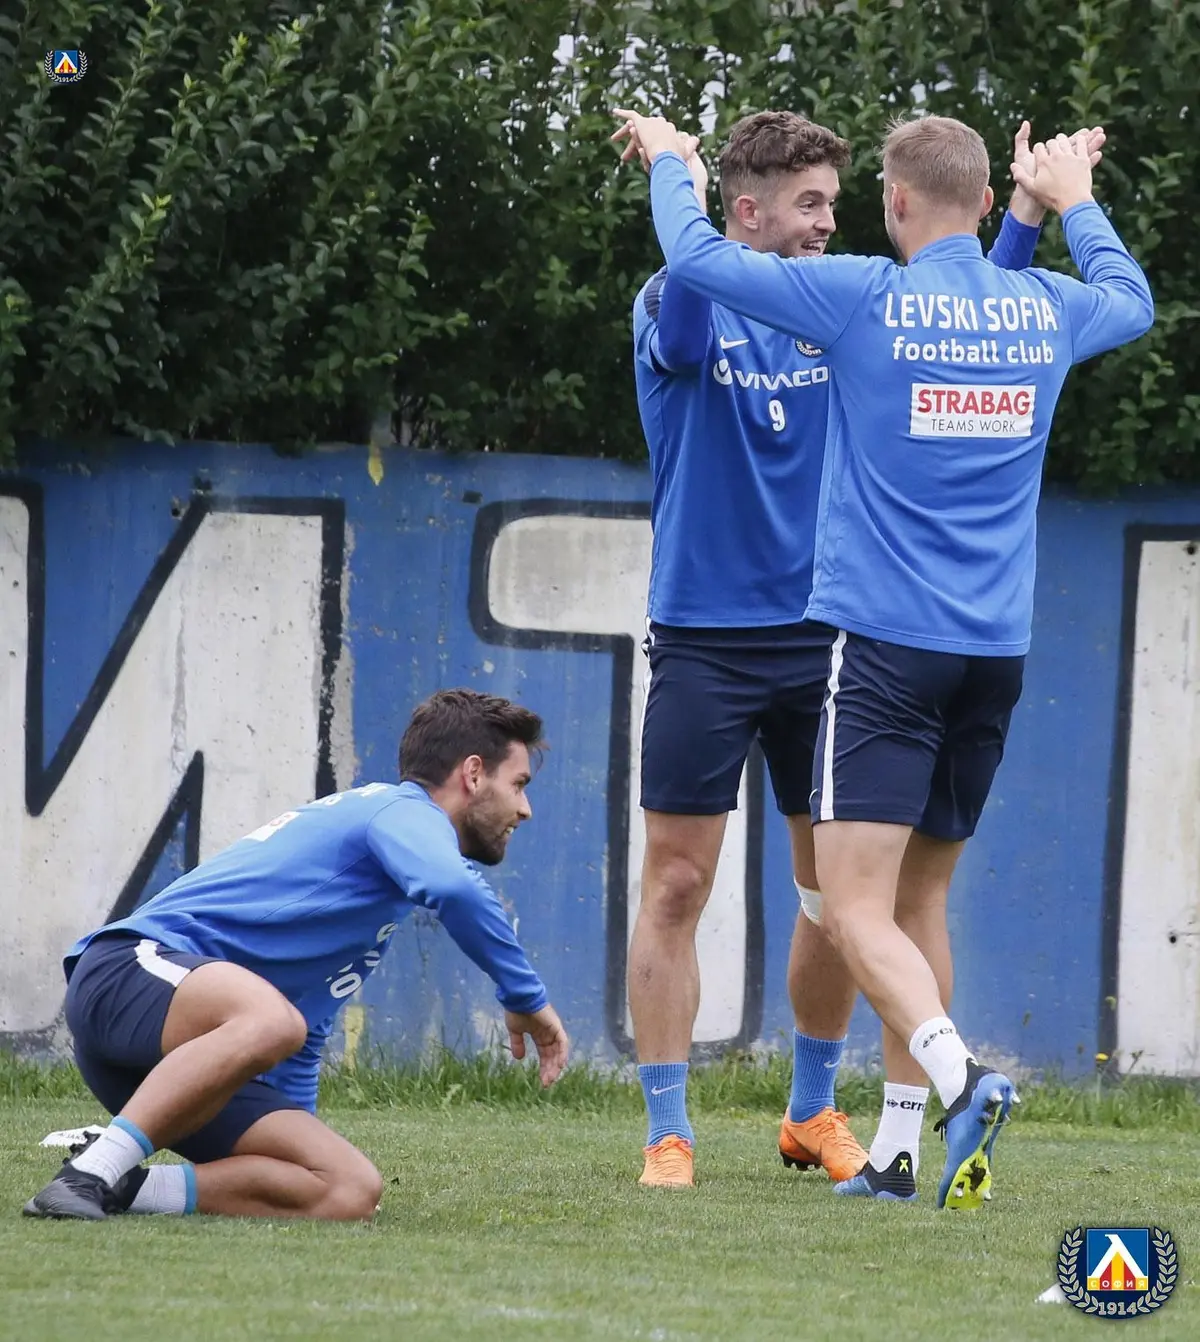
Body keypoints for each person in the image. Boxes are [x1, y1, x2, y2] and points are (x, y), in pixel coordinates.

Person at [614, 108, 1153, 1207]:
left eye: (839, 200)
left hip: (837, 636)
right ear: (745, 210)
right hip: (709, 635)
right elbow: (701, 286)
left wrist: (1015, 223)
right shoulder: (695, 298)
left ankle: (818, 1112)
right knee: (680, 880)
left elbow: (964, 320)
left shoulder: (859, 303)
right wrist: (679, 174)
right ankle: (669, 1129)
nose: (830, 221)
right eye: (809, 203)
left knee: (837, 899)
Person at [23, 688, 569, 1221]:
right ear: (473, 774)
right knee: (273, 1021)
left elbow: (304, 1034)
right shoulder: (398, 809)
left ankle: (124, 1185)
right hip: (123, 975)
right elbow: (454, 889)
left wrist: (293, 1145)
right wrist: (524, 997)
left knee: (349, 1188)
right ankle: (89, 1173)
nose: (525, 809)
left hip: (169, 1063)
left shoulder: (384, 882)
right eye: (519, 784)